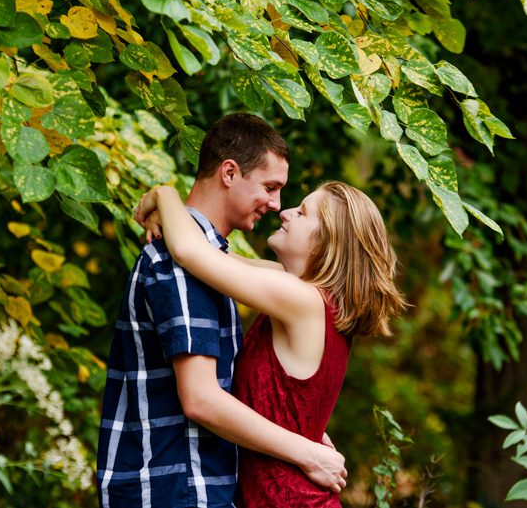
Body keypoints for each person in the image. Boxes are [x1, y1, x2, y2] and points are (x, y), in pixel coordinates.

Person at [96, 113, 347, 508]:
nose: (279, 206)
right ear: (229, 172)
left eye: (297, 209)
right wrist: (307, 445)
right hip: (175, 488)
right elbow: (201, 398)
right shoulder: (187, 266)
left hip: (198, 487)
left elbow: (199, 251)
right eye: (270, 187)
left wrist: (165, 195)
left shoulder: (235, 273)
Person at [134, 179, 407, 507]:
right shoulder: (303, 294)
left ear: (328, 242)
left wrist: (165, 194)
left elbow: (189, 252)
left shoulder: (301, 300)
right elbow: (210, 254)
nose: (286, 212)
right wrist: (165, 215)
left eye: (303, 213)